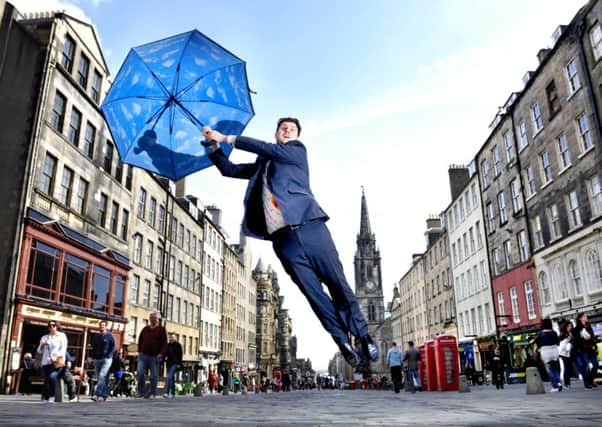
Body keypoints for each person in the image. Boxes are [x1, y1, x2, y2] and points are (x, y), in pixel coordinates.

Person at [203, 118, 379, 368]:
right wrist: (213, 147)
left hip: (311, 229)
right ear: (276, 133)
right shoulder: (263, 165)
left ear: (296, 136)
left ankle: (363, 336)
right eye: (282, 128)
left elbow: (266, 148)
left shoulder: (296, 152)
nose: (286, 131)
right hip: (284, 241)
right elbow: (229, 170)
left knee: (338, 285)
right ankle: (343, 341)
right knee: (314, 295)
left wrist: (226, 138)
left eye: (291, 129)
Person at [137, 312, 168, 398]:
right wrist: (139, 351)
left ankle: (152, 393)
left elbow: (165, 343)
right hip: (143, 355)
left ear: (158, 319)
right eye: (151, 318)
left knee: (154, 375)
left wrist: (161, 353)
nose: (153, 319)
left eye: (155, 318)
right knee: (140, 372)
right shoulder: (145, 329)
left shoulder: (161, 329)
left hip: (155, 356)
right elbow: (140, 340)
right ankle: (141, 391)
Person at [37, 320, 67, 403]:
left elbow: (63, 349)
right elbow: (39, 351)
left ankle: (52, 396)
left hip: (57, 362)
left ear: (57, 326)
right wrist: (42, 345)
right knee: (46, 379)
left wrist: (56, 357)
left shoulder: (61, 336)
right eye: (49, 326)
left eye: (53, 325)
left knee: (52, 376)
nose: (51, 327)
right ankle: (46, 397)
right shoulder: (44, 337)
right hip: (46, 361)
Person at [90, 320, 116, 401]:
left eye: (103, 325)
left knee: (102, 375)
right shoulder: (96, 336)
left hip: (106, 359)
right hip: (97, 359)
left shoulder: (110, 335)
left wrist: (109, 355)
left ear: (106, 327)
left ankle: (97, 394)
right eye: (100, 325)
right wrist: (92, 357)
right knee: (101, 377)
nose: (102, 326)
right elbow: (93, 347)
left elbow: (113, 347)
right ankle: (103, 395)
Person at [534, 318, 562, 392]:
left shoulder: (540, 334)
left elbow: (537, 345)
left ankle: (555, 386)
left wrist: (536, 351)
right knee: (555, 369)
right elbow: (558, 343)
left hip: (546, 352)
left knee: (549, 370)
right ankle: (558, 383)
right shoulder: (554, 332)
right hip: (554, 351)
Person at [573, 312, 599, 390]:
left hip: (591, 348)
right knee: (586, 366)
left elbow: (593, 337)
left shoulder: (588, 326)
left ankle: (590, 380)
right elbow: (577, 340)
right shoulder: (577, 328)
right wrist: (583, 339)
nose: (586, 317)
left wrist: (595, 346)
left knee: (596, 365)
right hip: (583, 349)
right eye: (584, 316)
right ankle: (587, 384)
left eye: (586, 316)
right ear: (580, 318)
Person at [164, 333, 183, 399]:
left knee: (169, 377)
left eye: (172, 337)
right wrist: (162, 361)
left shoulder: (178, 345)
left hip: (175, 363)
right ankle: (173, 393)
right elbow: (165, 354)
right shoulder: (168, 345)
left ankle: (166, 392)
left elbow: (180, 355)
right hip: (169, 363)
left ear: (175, 338)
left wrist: (179, 364)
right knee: (171, 379)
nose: (171, 338)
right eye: (170, 337)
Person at [558, 320, 574, 389]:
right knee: (567, 367)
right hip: (563, 353)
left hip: (568, 352)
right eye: (568, 326)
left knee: (569, 367)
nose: (570, 327)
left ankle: (568, 383)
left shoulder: (570, 333)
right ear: (565, 327)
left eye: (571, 326)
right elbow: (561, 343)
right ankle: (566, 383)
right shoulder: (564, 334)